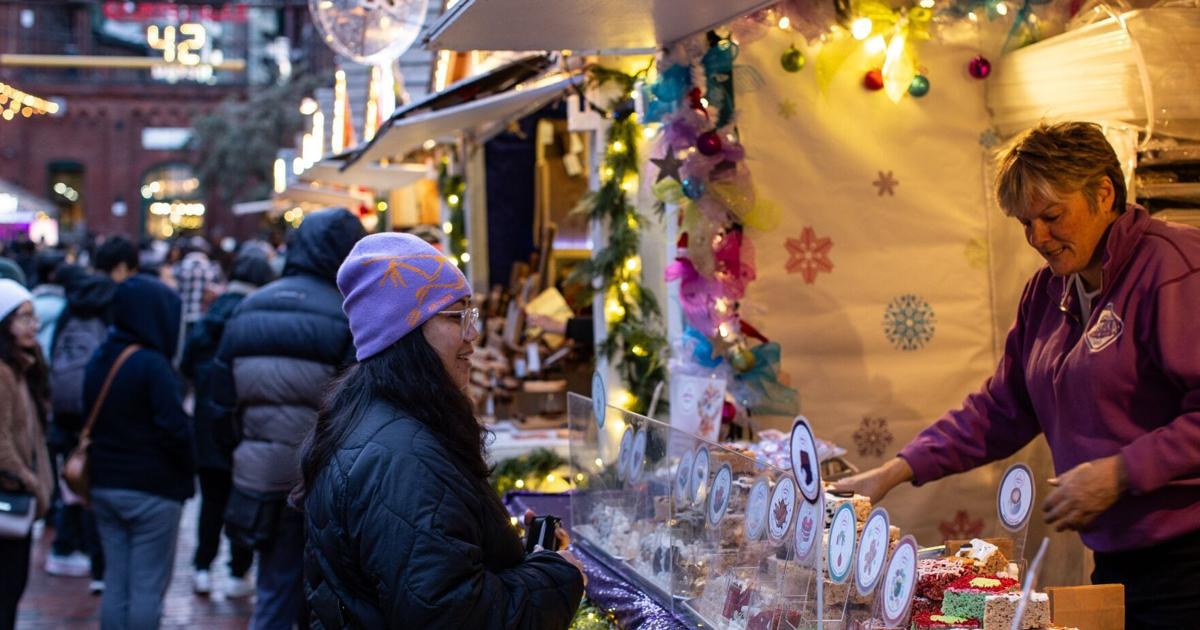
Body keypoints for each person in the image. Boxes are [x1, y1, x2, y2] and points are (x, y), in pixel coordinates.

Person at [833, 121, 1200, 628]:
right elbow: (1002, 407)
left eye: (1051, 216)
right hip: (1119, 557)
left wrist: (1120, 472)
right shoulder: (1050, 291)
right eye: (1026, 224)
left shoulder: (1175, 268)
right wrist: (895, 471)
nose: (1038, 239)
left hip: (1187, 559)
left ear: (1103, 193)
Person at [300, 233, 586, 629]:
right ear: (403, 334)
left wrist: (505, 551)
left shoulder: (376, 418)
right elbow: (451, 615)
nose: (472, 334)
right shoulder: (404, 457)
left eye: (471, 316)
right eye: (456, 318)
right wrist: (558, 575)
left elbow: (423, 573)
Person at [212, 207, 366, 630]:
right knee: (322, 600)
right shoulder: (348, 315)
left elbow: (218, 403)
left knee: (274, 591)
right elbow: (357, 407)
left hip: (259, 479)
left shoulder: (247, 308)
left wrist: (240, 455)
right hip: (322, 485)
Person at [85, 275, 194, 629]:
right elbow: (175, 428)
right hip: (152, 489)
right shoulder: (153, 365)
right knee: (147, 585)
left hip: (104, 483)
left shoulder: (101, 356)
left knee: (116, 580)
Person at [181, 251, 275, 598]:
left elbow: (187, 362)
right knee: (243, 499)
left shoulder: (212, 315)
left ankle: (202, 567)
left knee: (211, 501)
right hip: (246, 425)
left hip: (207, 423)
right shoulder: (258, 317)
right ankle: (238, 571)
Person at [45, 268, 117, 588]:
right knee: (89, 483)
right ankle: (84, 549)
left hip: (63, 412)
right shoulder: (107, 314)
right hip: (94, 411)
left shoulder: (69, 310)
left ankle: (65, 545)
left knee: (70, 480)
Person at [0, 279, 53, 629]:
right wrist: (28, 478)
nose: (32, 326)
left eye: (33, 318)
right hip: (8, 498)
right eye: (23, 318)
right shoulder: (3, 373)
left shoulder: (22, 367)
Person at [174, 236, 222, 338]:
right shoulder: (211, 268)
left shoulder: (180, 267)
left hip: (182, 314)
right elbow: (216, 290)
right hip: (203, 315)